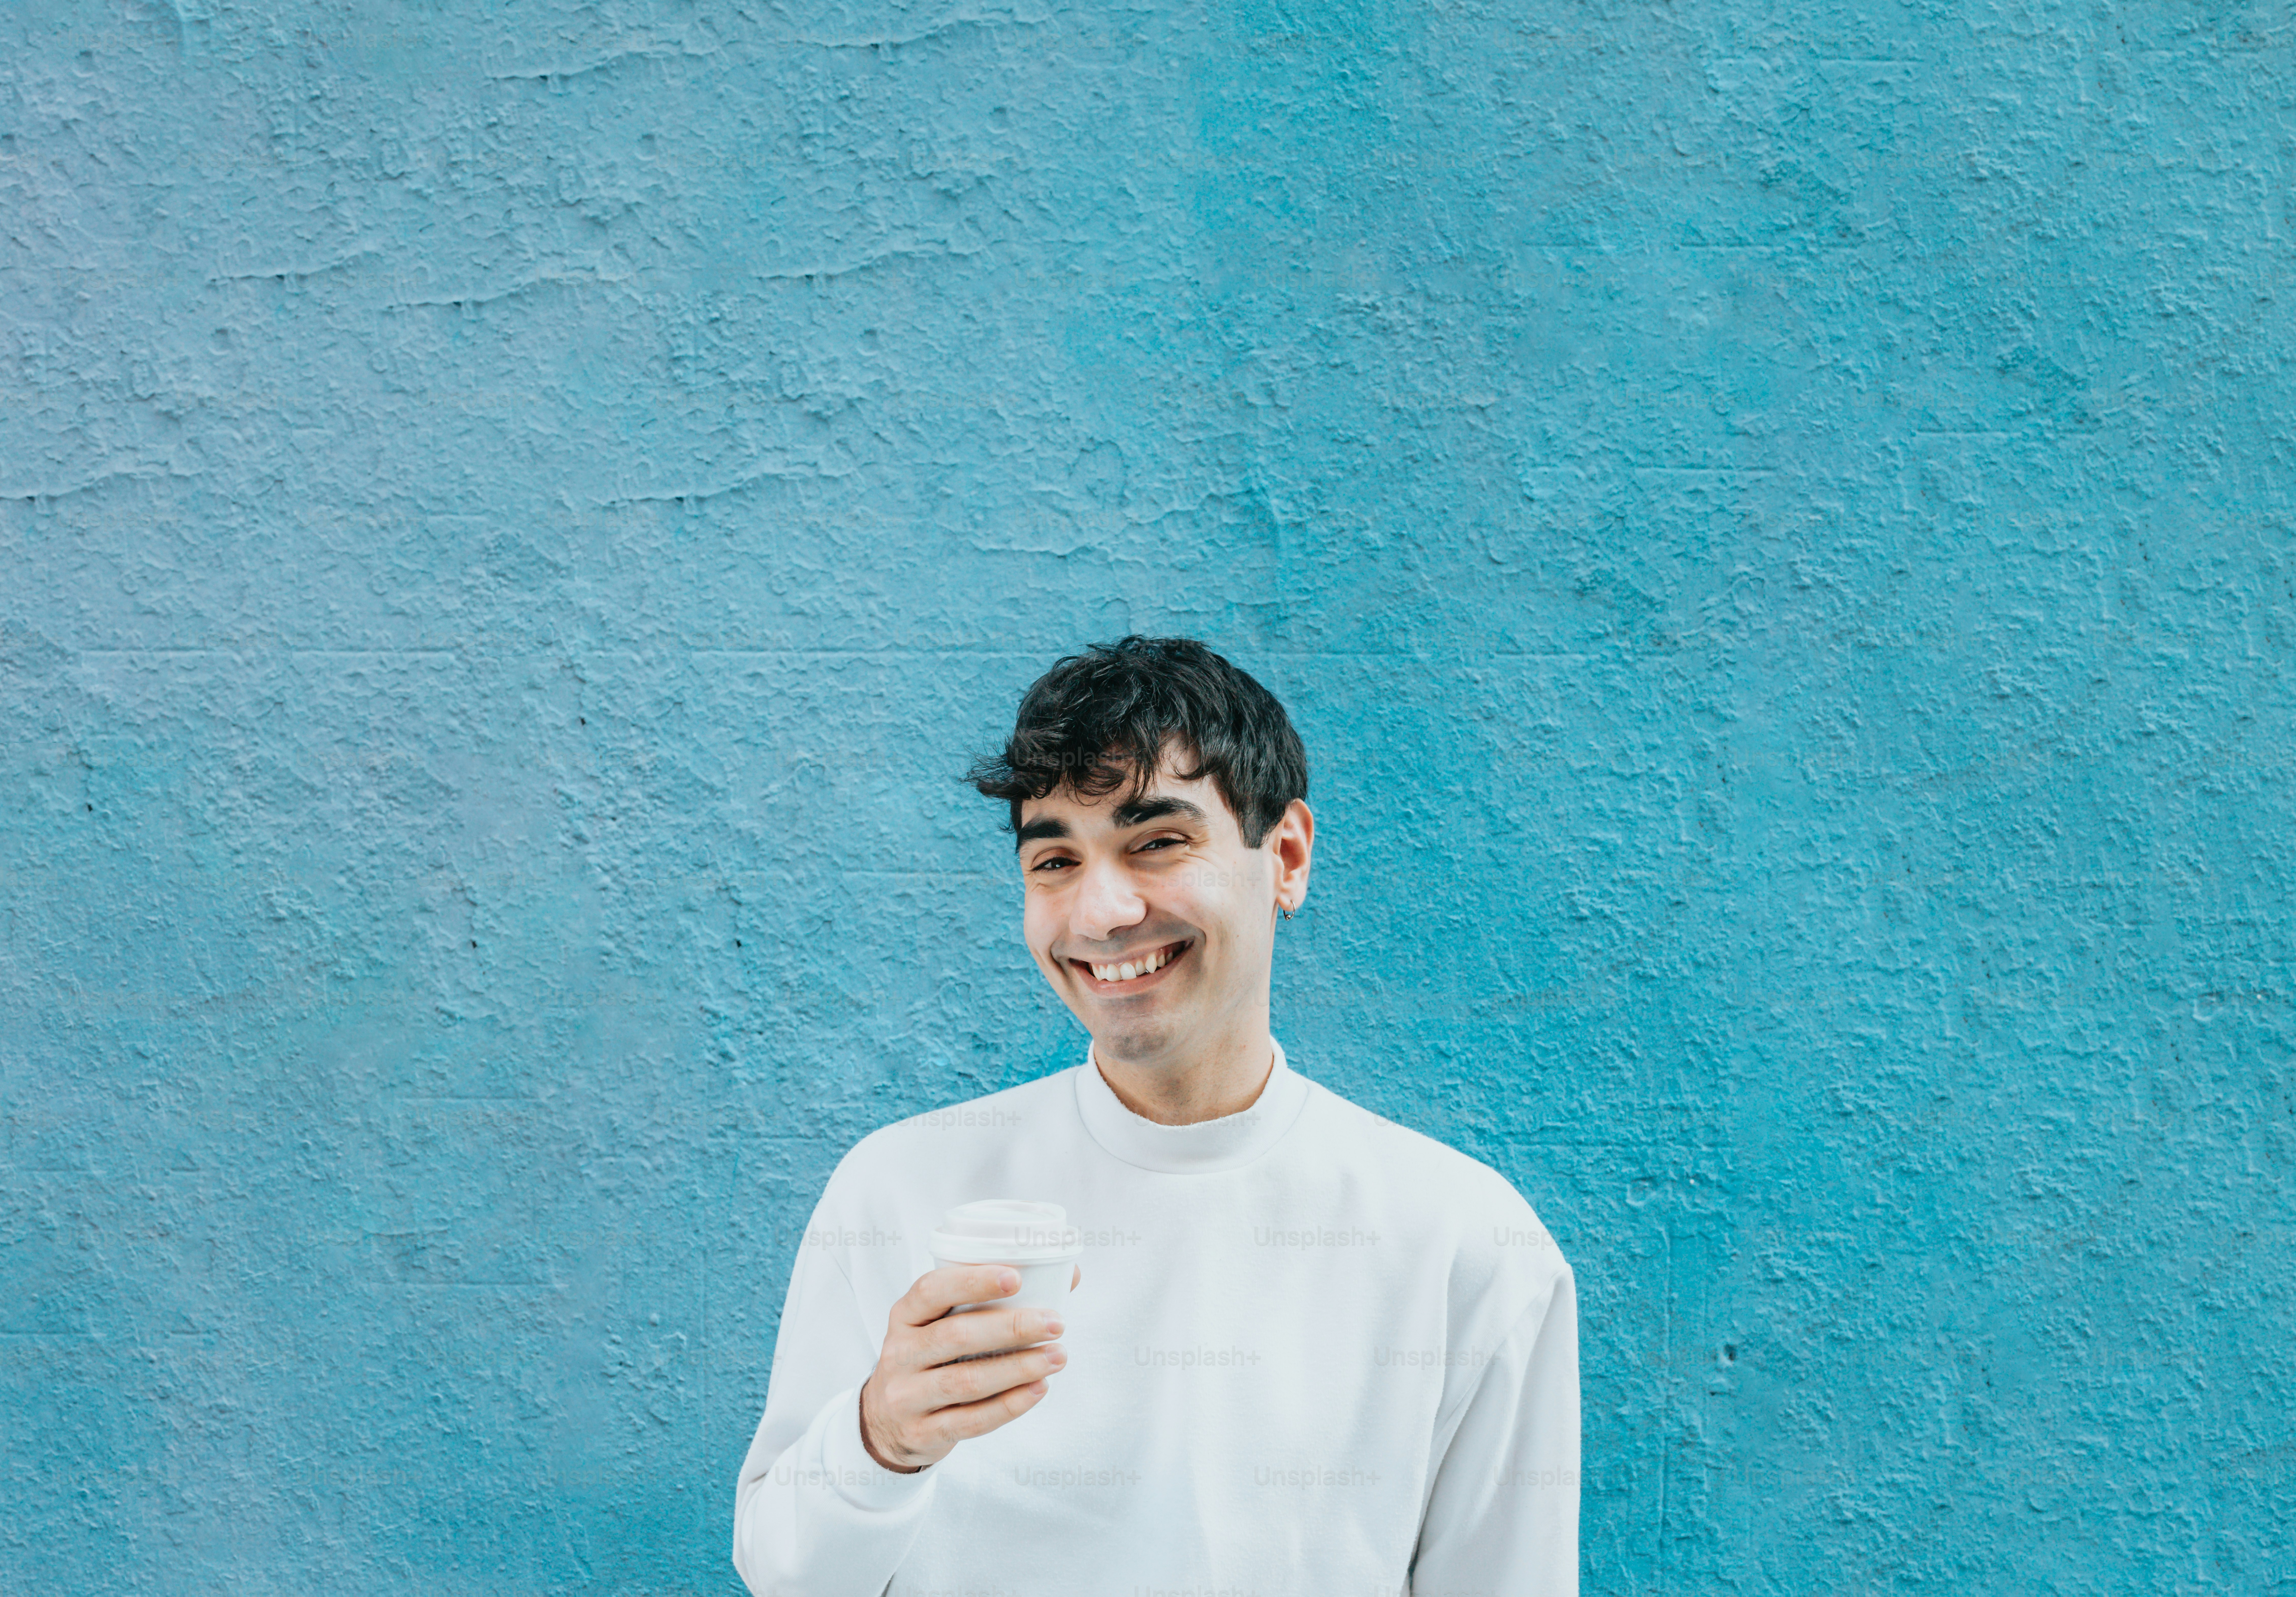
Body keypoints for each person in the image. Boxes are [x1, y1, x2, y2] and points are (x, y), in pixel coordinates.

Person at [732, 635, 1578, 1596]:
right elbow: (783, 1570)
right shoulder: (898, 1188)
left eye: (1157, 842)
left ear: (1286, 857)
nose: (1099, 913)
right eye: (1054, 859)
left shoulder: (1469, 1245)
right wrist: (879, 1441)